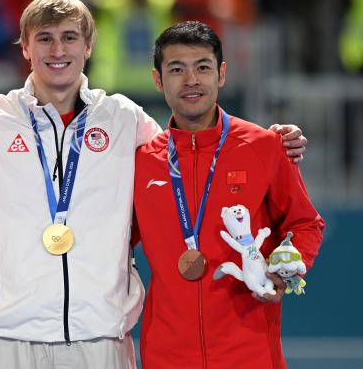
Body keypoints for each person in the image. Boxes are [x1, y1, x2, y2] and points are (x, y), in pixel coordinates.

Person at [0, 0, 307, 369]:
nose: (57, 49)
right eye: (44, 38)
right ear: (25, 47)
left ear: (89, 45)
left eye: (70, 37)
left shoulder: (123, 119)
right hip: (7, 336)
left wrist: (271, 142)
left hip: (100, 337)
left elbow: (187, 153)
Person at [134, 21, 325, 368]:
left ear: (221, 74)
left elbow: (305, 223)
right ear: (158, 80)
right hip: (166, 354)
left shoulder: (264, 146)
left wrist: (284, 268)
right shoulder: (141, 161)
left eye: (202, 67)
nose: (191, 80)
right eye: (176, 69)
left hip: (249, 353)